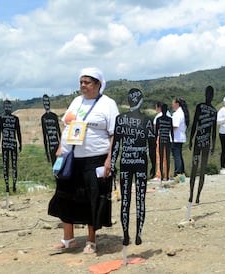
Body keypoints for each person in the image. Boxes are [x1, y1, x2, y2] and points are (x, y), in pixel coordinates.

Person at [48, 67, 119, 254]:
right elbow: (67, 125)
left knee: (92, 200)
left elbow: (114, 135)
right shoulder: (76, 101)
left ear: (98, 84)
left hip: (95, 159)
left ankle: (91, 241)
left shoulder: (108, 104)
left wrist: (109, 160)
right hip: (71, 158)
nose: (83, 86)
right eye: (81, 82)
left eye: (87, 82)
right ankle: (68, 239)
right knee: (65, 196)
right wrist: (60, 148)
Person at [111, 88, 154, 246]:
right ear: (141, 101)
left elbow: (116, 143)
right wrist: (154, 165)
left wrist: (113, 163)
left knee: (125, 200)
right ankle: (139, 234)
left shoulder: (120, 119)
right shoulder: (147, 120)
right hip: (141, 162)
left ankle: (125, 235)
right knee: (140, 199)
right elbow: (152, 144)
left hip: (126, 161)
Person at [188, 86, 217, 204]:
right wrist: (190, 139)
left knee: (200, 169)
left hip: (201, 142)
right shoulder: (212, 110)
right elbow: (195, 123)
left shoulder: (202, 107)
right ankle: (192, 195)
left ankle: (196, 195)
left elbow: (196, 124)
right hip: (203, 142)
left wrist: (191, 139)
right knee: (198, 169)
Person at [0, 100, 22, 193]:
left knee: (13, 165)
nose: (7, 108)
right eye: (6, 106)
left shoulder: (15, 118)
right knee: (6, 165)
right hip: (6, 144)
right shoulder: (1, 118)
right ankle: (7, 186)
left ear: (11, 107)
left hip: (12, 143)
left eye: (9, 106)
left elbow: (18, 132)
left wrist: (20, 143)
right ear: (4, 107)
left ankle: (14, 185)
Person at [171, 98, 190, 176]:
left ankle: (178, 172)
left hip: (176, 137)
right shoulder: (182, 112)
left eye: (173, 103)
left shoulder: (178, 114)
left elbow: (175, 125)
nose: (172, 105)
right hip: (180, 136)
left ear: (177, 104)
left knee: (176, 156)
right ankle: (181, 172)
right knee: (179, 155)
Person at [41, 94, 61, 166]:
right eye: (45, 102)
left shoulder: (54, 116)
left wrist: (61, 146)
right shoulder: (43, 117)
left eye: (47, 102)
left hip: (57, 144)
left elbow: (59, 132)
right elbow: (44, 136)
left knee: (59, 166)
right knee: (54, 166)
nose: (46, 104)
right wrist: (47, 153)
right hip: (50, 146)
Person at [155, 103, 173, 181]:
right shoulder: (170, 119)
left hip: (161, 138)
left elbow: (156, 131)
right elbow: (171, 131)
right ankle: (167, 176)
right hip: (167, 139)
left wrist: (155, 140)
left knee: (162, 157)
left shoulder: (159, 119)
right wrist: (173, 140)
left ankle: (162, 176)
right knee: (167, 158)